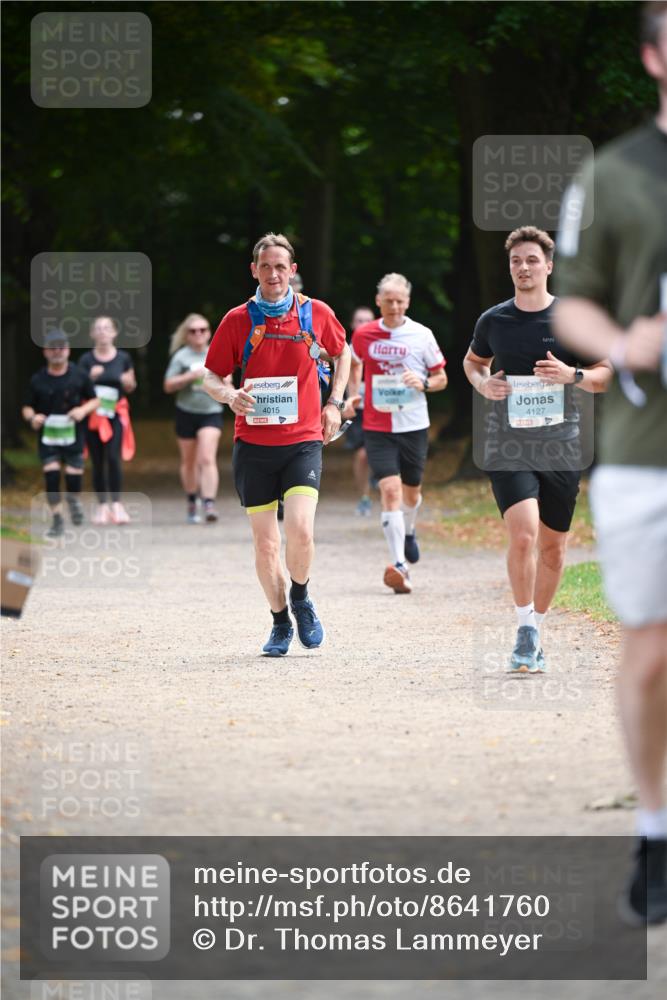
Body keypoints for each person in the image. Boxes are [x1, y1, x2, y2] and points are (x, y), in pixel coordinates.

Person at [553, 0, 667, 924]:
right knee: (652, 649)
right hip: (646, 451)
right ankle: (655, 829)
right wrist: (627, 344)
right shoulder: (613, 174)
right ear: (652, 59)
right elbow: (572, 307)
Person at [463, 226, 611, 673]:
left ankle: (537, 629)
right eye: (515, 261)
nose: (523, 268)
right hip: (508, 443)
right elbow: (473, 362)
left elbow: (605, 372)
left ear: (549, 265)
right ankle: (524, 626)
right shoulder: (494, 320)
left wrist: (573, 375)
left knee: (553, 548)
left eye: (531, 260)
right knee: (524, 532)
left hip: (562, 446)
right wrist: (481, 382)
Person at [203, 232, 350, 656]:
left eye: (280, 266)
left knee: (301, 529)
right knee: (266, 544)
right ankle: (280, 621)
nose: (272, 274)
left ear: (293, 271)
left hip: (303, 439)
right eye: (265, 266)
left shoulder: (316, 313)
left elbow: (344, 354)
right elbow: (211, 376)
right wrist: (230, 396)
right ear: (254, 270)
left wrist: (335, 403)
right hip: (253, 444)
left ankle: (301, 596)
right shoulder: (237, 320)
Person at [347, 273, 447, 594]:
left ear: (407, 302)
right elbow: (353, 365)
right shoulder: (364, 334)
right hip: (377, 425)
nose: (393, 306)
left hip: (414, 424)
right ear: (378, 301)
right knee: (389, 490)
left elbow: (441, 376)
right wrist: (352, 395)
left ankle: (409, 531)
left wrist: (425, 384)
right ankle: (399, 566)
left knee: (411, 493)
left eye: (399, 301)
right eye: (387, 300)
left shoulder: (421, 335)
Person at [22, 329, 99, 537]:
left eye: (61, 347)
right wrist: (32, 418)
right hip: (48, 437)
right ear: (45, 352)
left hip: (73, 435)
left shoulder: (79, 375)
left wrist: (82, 410)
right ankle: (57, 520)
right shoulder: (38, 379)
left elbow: (95, 399)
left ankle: (73, 501)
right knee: (52, 477)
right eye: (52, 348)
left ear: (68, 350)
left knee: (73, 480)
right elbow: (27, 406)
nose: (57, 351)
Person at [164, 313, 225, 524]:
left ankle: (209, 503)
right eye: (193, 331)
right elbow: (168, 385)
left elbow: (229, 382)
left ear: (209, 332)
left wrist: (225, 383)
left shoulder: (216, 352)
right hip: (186, 412)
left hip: (211, 412)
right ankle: (192, 500)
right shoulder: (181, 357)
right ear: (187, 335)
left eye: (203, 330)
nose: (198, 334)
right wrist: (190, 376)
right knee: (189, 462)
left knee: (207, 458)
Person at [78, 316, 136, 525]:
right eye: (98, 329)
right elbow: (77, 389)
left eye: (107, 328)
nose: (103, 332)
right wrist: (89, 378)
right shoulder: (86, 360)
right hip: (93, 415)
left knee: (113, 457)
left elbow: (131, 386)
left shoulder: (123, 358)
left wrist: (128, 383)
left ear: (114, 333)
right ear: (92, 334)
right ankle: (102, 506)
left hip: (115, 414)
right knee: (97, 459)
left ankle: (117, 505)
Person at [344, 306, 375, 516]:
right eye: (359, 320)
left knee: (380, 452)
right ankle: (364, 497)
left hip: (381, 408)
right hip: (358, 409)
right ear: (352, 324)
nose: (363, 324)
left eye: (367, 320)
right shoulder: (346, 348)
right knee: (362, 454)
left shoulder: (381, 347)